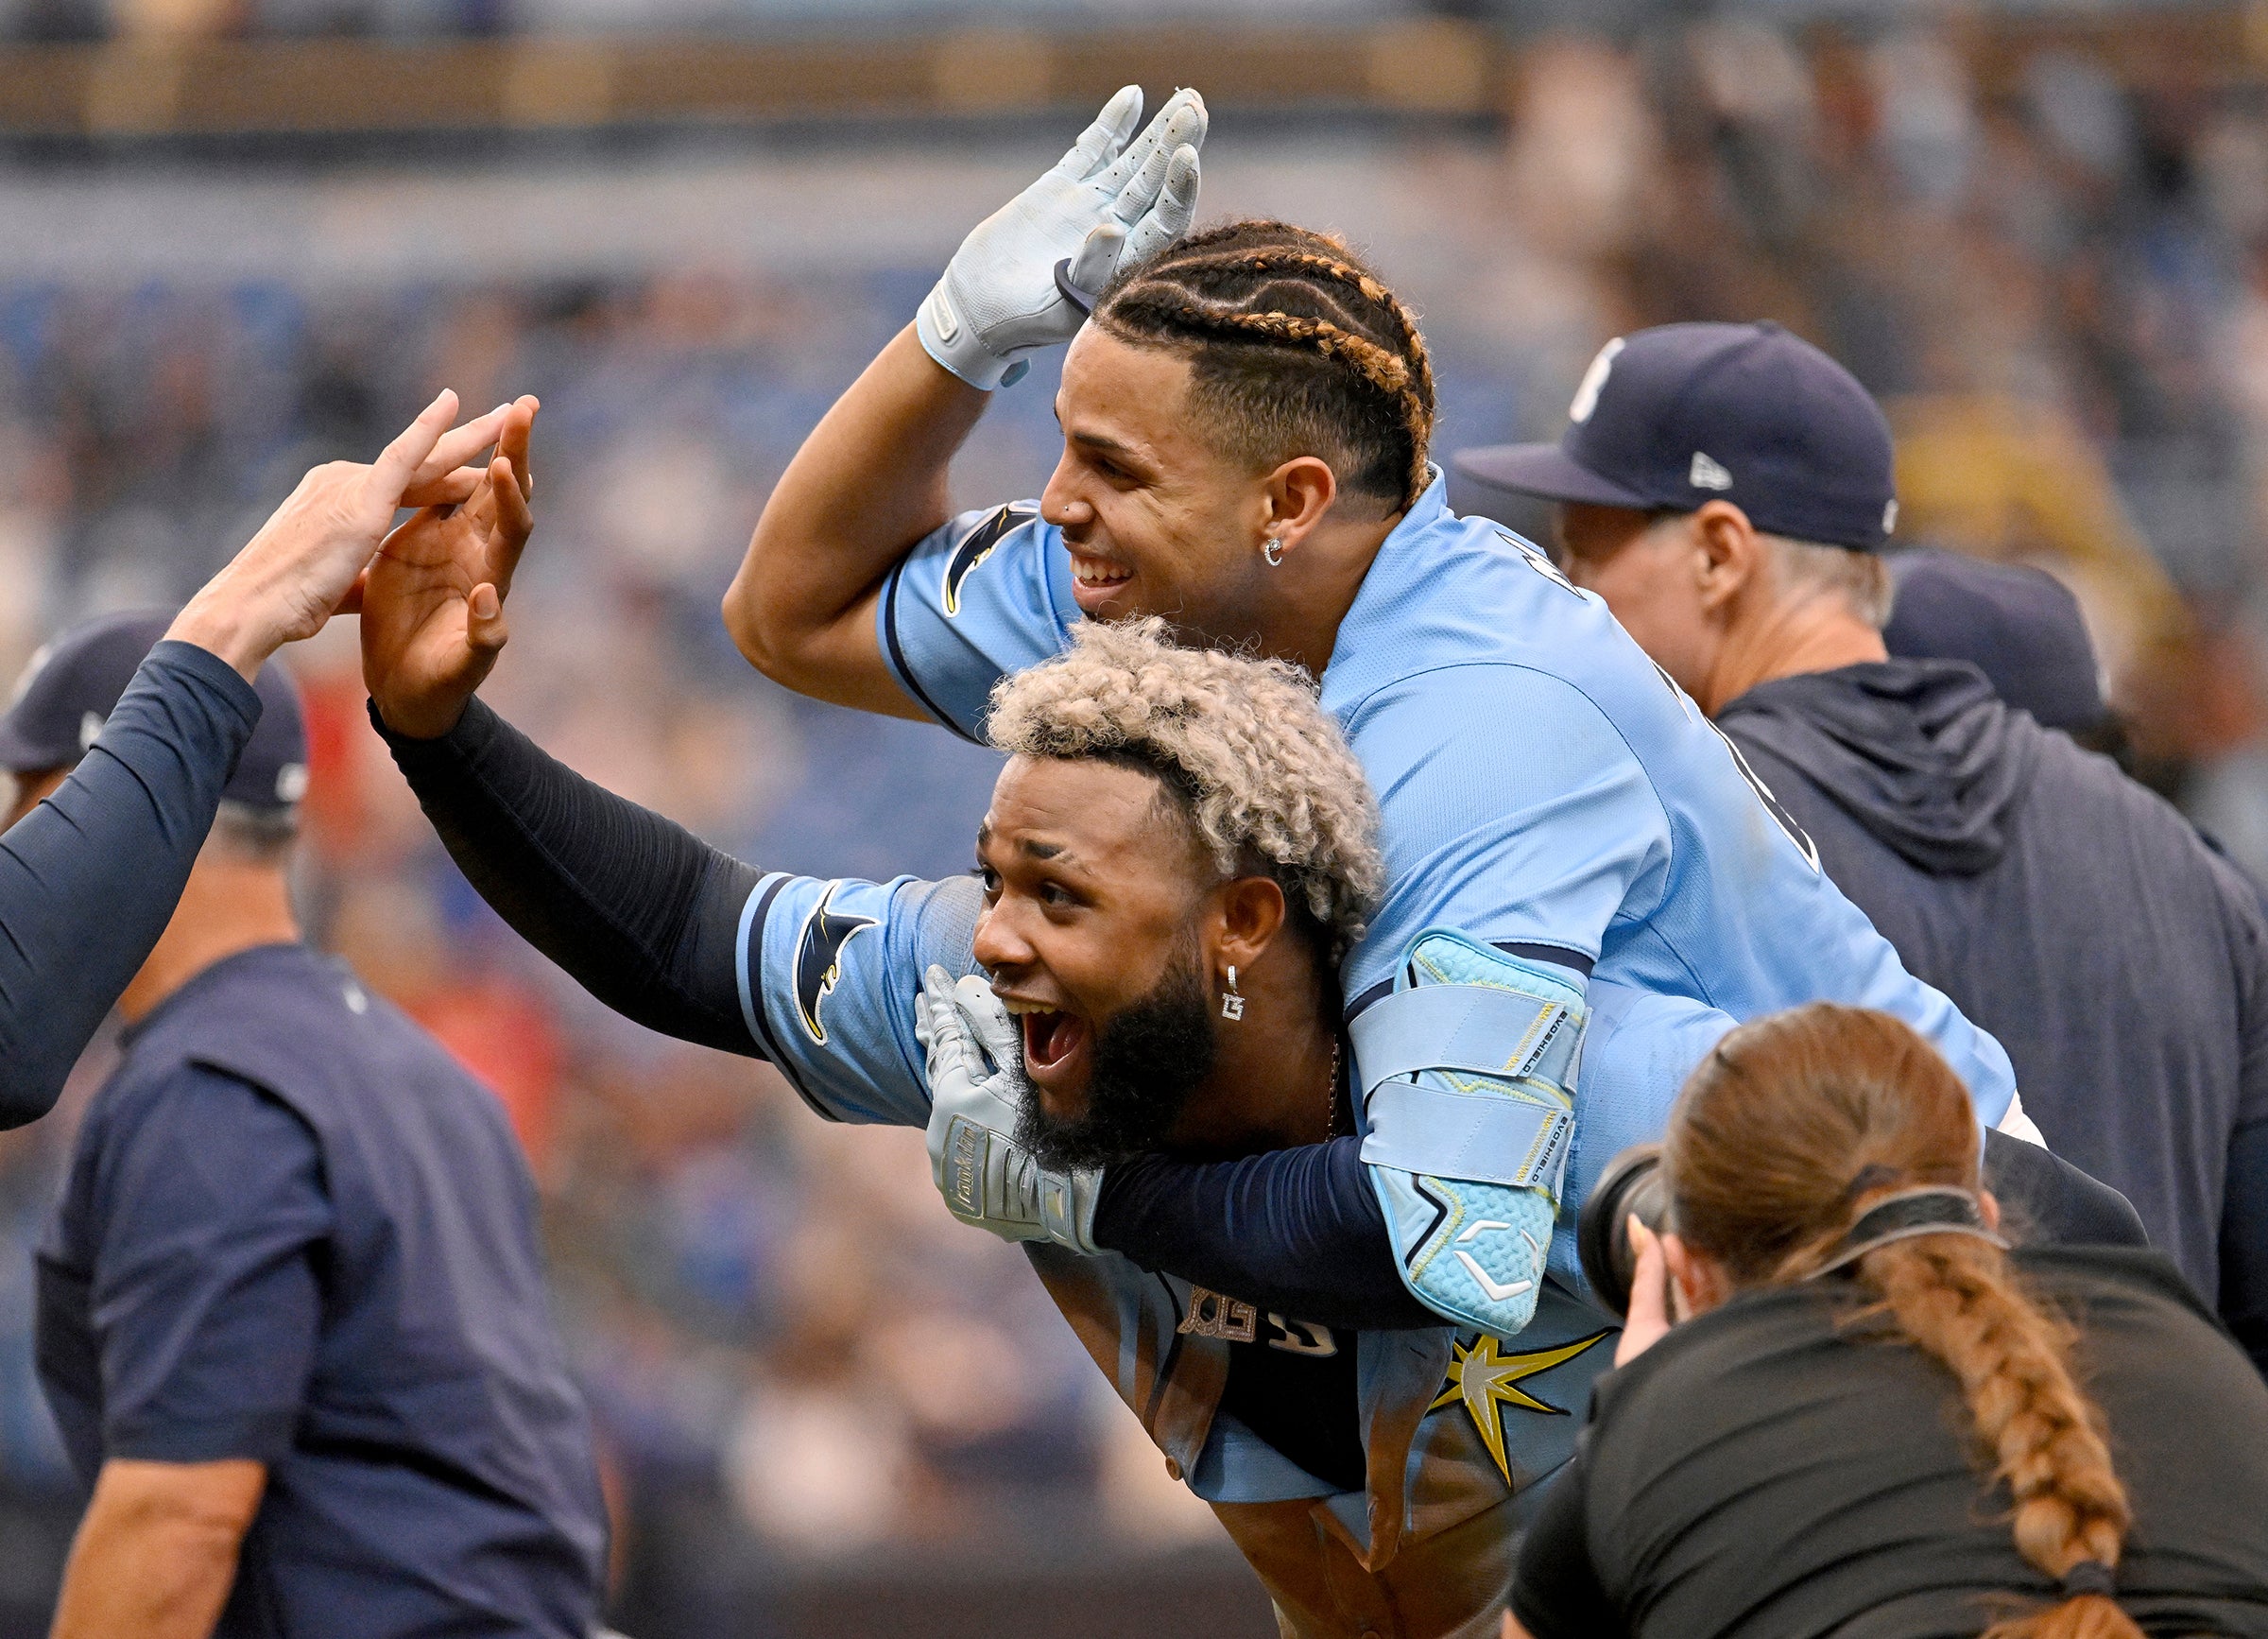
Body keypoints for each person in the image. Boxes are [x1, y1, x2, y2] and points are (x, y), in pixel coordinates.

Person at [720, 90, 2107, 1359]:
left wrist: (1088, 1187)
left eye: (1113, 462)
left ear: (1290, 503)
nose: (1056, 500)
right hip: (1687, 1267)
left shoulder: (1485, 716)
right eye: (1066, 444)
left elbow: (1453, 1239)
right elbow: (787, 614)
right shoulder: (1158, 572)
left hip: (1926, 1245)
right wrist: (959, 335)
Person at [366, 564, 1740, 1639]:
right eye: (996, 879)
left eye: (1063, 895)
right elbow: (685, 933)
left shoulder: (1555, 1064)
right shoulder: (1009, 1022)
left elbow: (1436, 1224)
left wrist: (1101, 1191)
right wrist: (436, 728)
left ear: (1242, 921)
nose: (999, 938)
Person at [1454, 321, 2261, 1363]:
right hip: (2161, 1497)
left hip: (1851, 1505)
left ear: (1717, 553)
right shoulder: (2183, 862)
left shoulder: (1655, 852)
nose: (1562, 594)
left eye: (1584, 549)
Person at [30, 429, 610, 1639]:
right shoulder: (415, 1065)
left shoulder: (210, 1082)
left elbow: (176, 1523)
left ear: (91, 797)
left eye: (33, 806)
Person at [1504, 1003, 2268, 1639]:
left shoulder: (1665, 1427)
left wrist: (1643, 1402)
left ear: (1691, 1276)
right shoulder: (2198, 1356)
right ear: (1987, 1219)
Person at [0, 389, 505, 1123]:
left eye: (40, 798)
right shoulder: (440, 1086)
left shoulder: (194, 1091)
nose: (15, 834)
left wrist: (235, 618)